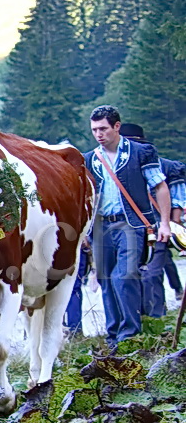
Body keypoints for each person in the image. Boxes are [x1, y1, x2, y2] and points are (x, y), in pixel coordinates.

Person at [85, 107, 172, 349]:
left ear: (117, 126)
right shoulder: (89, 159)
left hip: (131, 223)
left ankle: (129, 334)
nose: (98, 134)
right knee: (105, 279)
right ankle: (113, 335)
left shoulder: (142, 152)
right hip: (100, 226)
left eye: (103, 128)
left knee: (123, 276)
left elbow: (160, 186)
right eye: (94, 130)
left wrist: (164, 223)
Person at [119, 123, 186, 316]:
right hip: (127, 228)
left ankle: (156, 316)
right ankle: (141, 315)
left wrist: (172, 224)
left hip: (156, 227)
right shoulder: (113, 165)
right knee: (131, 274)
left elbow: (178, 198)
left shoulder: (166, 166)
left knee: (152, 273)